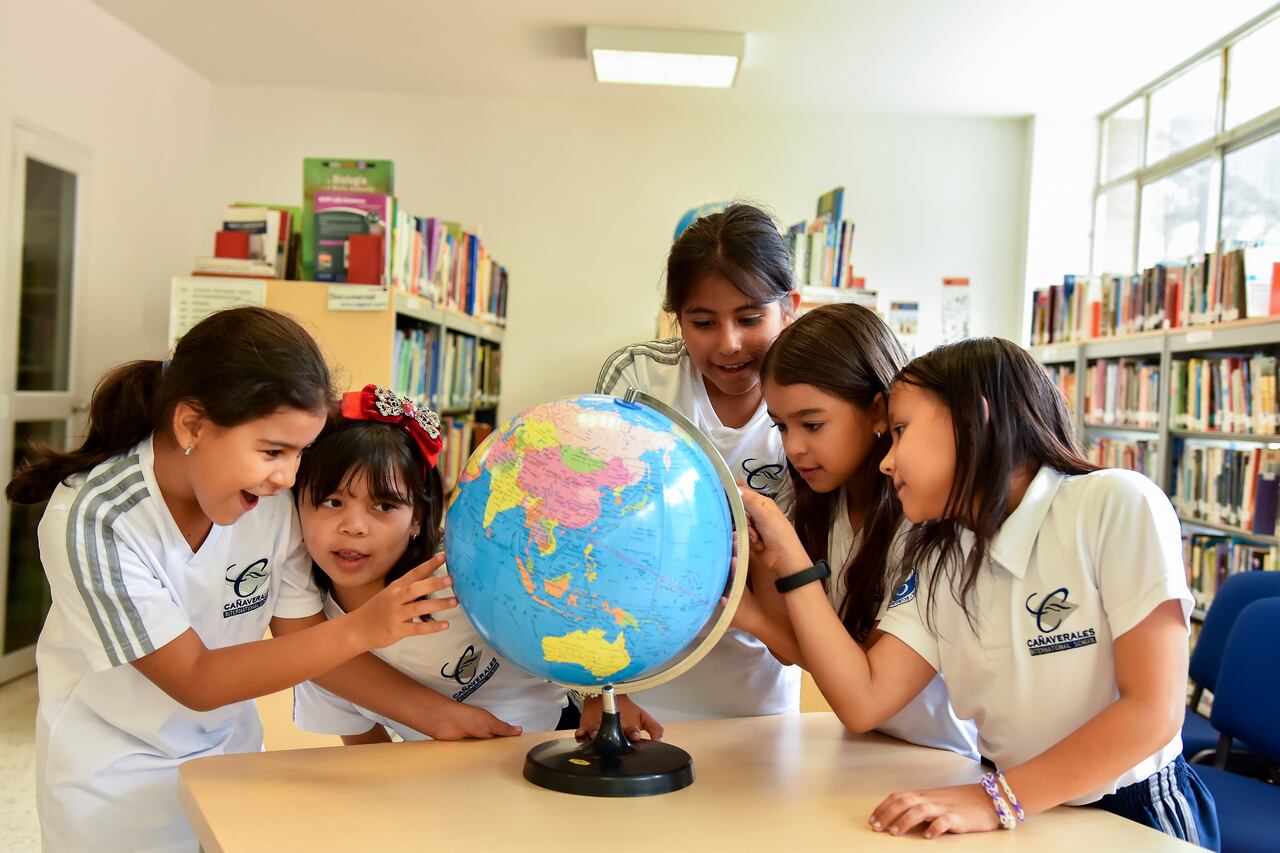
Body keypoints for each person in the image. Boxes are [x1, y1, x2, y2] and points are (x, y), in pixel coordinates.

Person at [6, 308, 496, 853]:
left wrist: (444, 719)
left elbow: (300, 633)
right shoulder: (95, 519)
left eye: (300, 453)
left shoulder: (270, 499)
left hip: (229, 758)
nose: (288, 476)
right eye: (272, 452)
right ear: (192, 425)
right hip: (115, 775)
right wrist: (365, 628)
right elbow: (196, 680)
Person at [737, 337, 1218, 847]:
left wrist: (997, 798)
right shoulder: (942, 556)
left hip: (1130, 810)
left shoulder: (1115, 503)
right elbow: (864, 698)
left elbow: (1153, 711)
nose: (886, 460)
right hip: (1014, 807)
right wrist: (788, 561)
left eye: (900, 432)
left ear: (974, 421)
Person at [291, 385, 666, 742]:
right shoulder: (315, 643)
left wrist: (601, 698)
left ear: (418, 520)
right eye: (331, 502)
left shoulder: (466, 577)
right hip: (451, 787)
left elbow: (567, 615)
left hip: (559, 743)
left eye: (384, 506)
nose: (353, 527)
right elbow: (363, 753)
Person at [732, 303, 977, 761]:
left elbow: (863, 692)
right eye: (781, 426)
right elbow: (808, 654)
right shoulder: (802, 498)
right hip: (868, 751)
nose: (794, 447)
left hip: (946, 758)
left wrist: (788, 564)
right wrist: (755, 615)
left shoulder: (929, 517)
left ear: (879, 411)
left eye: (813, 424)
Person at [593, 202, 801, 724]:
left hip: (759, 689)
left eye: (750, 318)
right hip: (638, 680)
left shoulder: (811, 400)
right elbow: (593, 536)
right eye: (703, 322)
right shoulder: (640, 379)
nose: (729, 344)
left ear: (790, 308)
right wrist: (598, 692)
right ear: (676, 317)